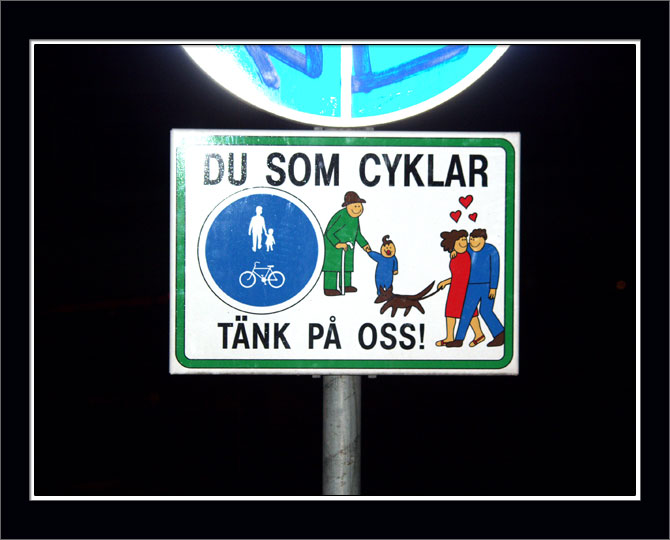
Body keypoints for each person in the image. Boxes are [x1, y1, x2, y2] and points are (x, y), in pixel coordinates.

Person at [446, 229, 505, 347]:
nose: (473, 242)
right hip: (471, 286)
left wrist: (493, 288)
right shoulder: (467, 248)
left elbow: (495, 270)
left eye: (476, 239)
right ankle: (459, 339)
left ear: (483, 240)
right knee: (466, 312)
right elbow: (459, 247)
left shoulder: (491, 250)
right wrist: (453, 251)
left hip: (487, 286)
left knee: (485, 311)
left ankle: (500, 334)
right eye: (471, 239)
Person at [435, 230, 485, 347]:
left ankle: (479, 334)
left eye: (464, 240)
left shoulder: (468, 255)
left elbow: (462, 276)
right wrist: (447, 282)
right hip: (455, 288)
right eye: (461, 240)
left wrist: (446, 282)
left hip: (465, 289)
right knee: (450, 313)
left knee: (469, 312)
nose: (464, 242)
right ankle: (449, 337)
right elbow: (456, 276)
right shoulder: (456, 256)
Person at [323, 191, 371, 296]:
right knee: (332, 267)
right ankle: (329, 288)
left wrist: (365, 245)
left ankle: (345, 285)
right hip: (332, 246)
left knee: (347, 265)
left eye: (359, 206)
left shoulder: (355, 218)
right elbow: (329, 232)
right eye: (355, 206)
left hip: (348, 245)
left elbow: (357, 234)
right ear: (348, 206)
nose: (358, 208)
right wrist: (337, 244)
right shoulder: (342, 216)